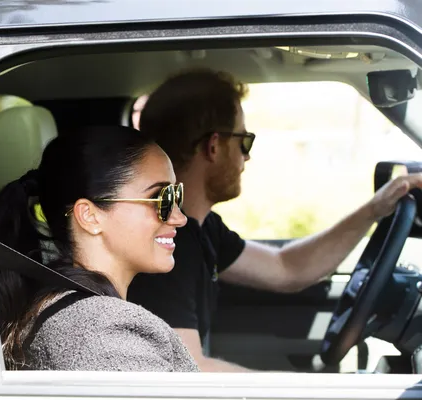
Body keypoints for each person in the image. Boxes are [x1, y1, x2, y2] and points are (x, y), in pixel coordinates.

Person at [126, 68, 422, 372]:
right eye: (244, 141)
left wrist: (374, 209)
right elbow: (189, 369)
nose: (247, 158)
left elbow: (287, 268)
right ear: (213, 147)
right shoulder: (169, 243)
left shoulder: (202, 229)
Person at [0, 125, 199, 372]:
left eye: (176, 195)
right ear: (89, 216)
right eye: (162, 199)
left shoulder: (68, 312)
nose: (179, 217)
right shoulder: (104, 332)